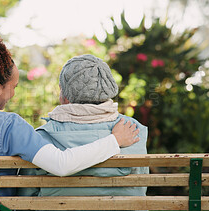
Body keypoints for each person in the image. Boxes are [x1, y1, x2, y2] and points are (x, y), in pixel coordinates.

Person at [0, 31, 140, 198]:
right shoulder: (9, 125)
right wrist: (114, 141)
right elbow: (62, 164)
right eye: (12, 87)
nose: (13, 93)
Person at [18, 54, 149, 199]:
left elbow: (27, 194)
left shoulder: (43, 135)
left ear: (66, 96)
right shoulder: (132, 129)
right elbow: (139, 187)